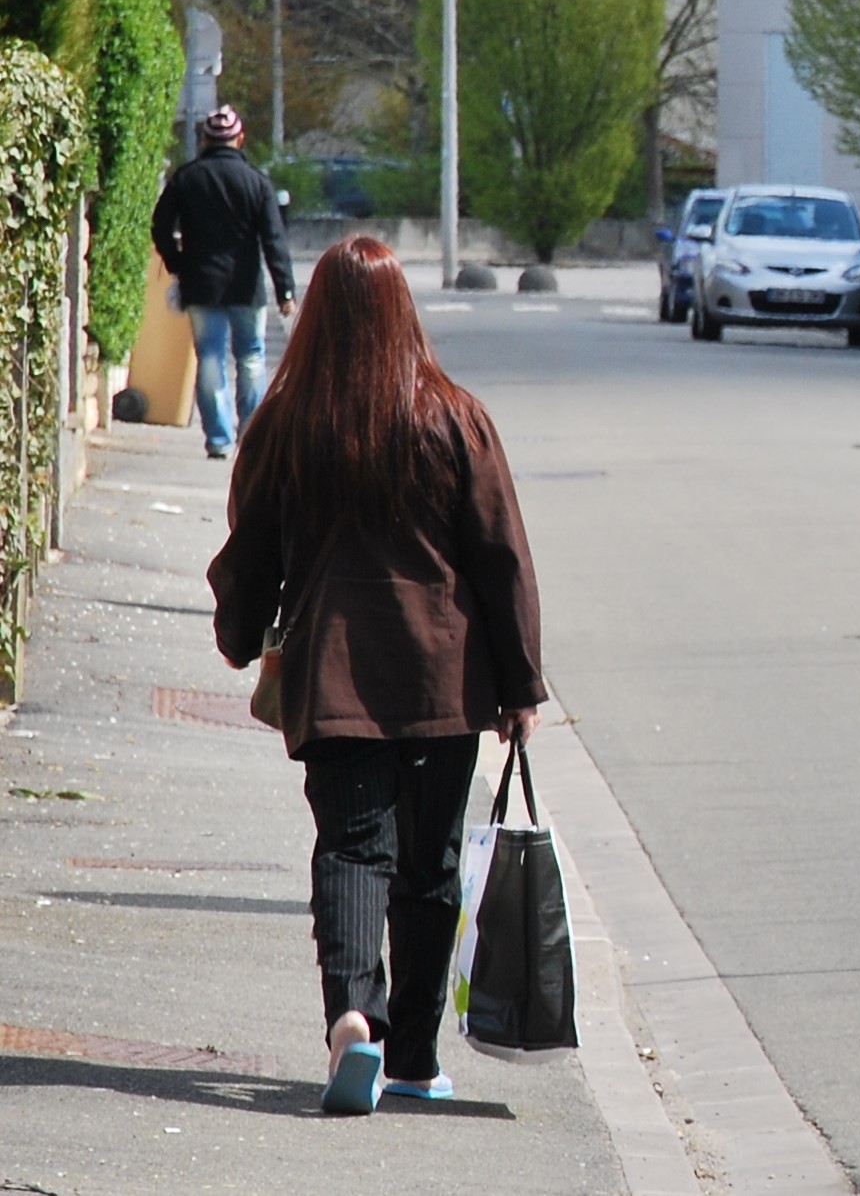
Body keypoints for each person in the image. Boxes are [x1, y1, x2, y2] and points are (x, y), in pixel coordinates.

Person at [207, 235, 546, 1117]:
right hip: (443, 684)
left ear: (318, 315)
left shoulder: (287, 424)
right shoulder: (454, 416)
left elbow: (250, 552)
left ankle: (353, 1017)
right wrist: (520, 687)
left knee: (352, 853)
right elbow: (501, 558)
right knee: (429, 868)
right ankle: (417, 1059)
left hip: (335, 676)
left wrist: (240, 634)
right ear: (404, 313)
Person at [149, 105, 295, 459]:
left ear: (205, 140)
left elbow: (160, 227)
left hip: (201, 285)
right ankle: (252, 435)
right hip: (247, 286)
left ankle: (218, 439)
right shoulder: (257, 183)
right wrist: (284, 290)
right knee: (251, 357)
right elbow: (273, 239)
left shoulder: (187, 178)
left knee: (210, 357)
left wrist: (178, 263)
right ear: (239, 140)